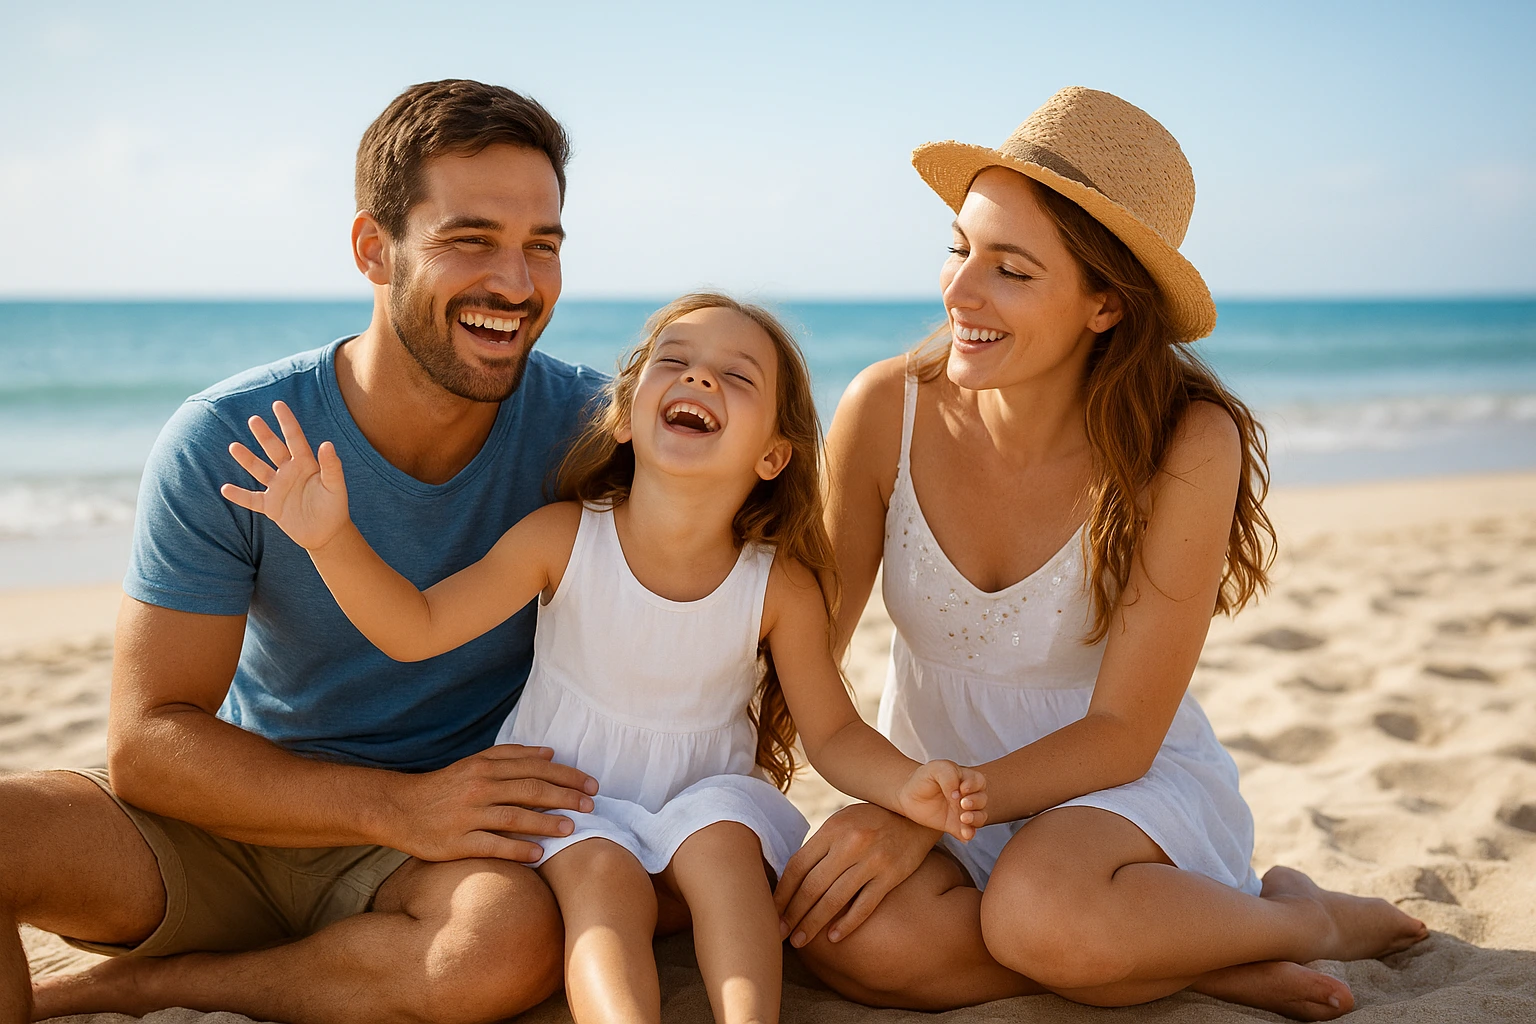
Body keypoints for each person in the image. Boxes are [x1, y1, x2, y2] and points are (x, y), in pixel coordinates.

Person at [773, 87, 1429, 1022]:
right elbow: (809, 655)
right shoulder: (888, 408)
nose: (960, 292)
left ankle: (1302, 921)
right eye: (960, 250)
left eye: (1011, 270)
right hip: (935, 791)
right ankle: (1187, 958)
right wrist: (891, 792)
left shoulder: (1186, 443)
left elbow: (1125, 730)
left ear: (1104, 306)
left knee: (1041, 911)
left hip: (1114, 797)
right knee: (849, 937)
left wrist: (937, 809)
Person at [2, 80, 616, 1024]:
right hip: (240, 815)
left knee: (496, 952)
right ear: (375, 249)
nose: (518, 284)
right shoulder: (229, 435)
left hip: (436, 859)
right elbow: (149, 745)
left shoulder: (589, 433)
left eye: (543, 246)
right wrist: (393, 805)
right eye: (471, 240)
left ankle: (144, 986)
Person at [221, 291, 988, 1024]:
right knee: (603, 880)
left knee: (724, 852)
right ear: (624, 417)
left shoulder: (776, 584)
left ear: (774, 456)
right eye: (675, 360)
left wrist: (906, 783)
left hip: (704, 791)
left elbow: (834, 734)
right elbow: (416, 627)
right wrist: (330, 539)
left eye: (736, 375)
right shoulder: (563, 537)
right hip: (571, 790)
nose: (698, 377)